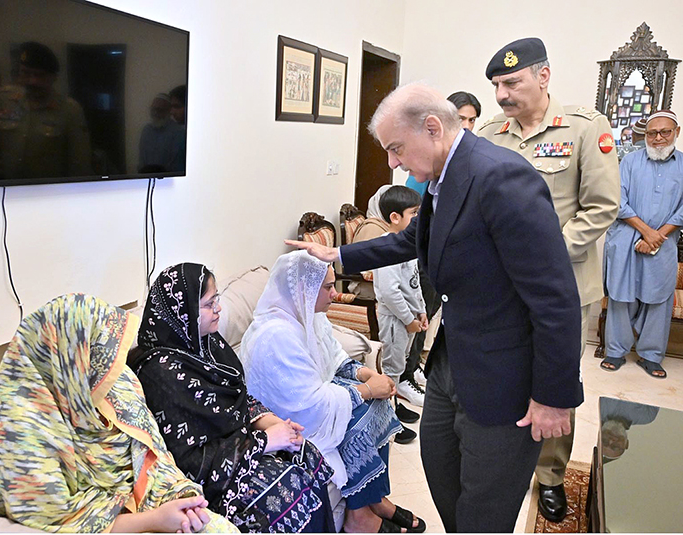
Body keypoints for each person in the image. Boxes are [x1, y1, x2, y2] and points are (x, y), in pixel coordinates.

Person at [286, 82, 583, 532]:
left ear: (431, 128)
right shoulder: (443, 177)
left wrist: (554, 397)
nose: (392, 162)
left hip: (504, 379)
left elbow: (556, 299)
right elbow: (413, 239)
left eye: (395, 148)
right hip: (452, 362)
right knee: (443, 473)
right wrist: (341, 256)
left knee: (484, 509)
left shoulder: (501, 177)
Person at [477, 37, 620, 523]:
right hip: (501, 290)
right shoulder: (490, 131)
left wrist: (540, 257)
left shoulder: (585, 128)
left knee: (556, 380)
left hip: (565, 289)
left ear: (543, 76)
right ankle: (508, 461)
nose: (501, 94)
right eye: (496, 84)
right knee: (509, 375)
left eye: (511, 82)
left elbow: (601, 207)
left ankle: (552, 476)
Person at [0, 293, 237, 533]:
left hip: (161, 503)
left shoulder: (114, 384)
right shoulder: (19, 431)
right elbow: (58, 519)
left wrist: (182, 500)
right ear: (67, 360)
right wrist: (156, 519)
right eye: (96, 353)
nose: (109, 365)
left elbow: (154, 456)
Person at [128, 263, 335, 533]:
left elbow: (238, 397)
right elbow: (188, 462)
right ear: (183, 311)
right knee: (286, 491)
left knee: (305, 452)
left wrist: (271, 423)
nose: (219, 309)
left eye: (217, 299)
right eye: (208, 303)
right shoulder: (160, 373)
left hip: (241, 444)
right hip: (213, 481)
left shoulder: (206, 342)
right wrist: (263, 442)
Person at [240, 251, 426, 533]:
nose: (334, 293)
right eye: (327, 287)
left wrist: (368, 375)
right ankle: (362, 516)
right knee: (361, 415)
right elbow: (309, 406)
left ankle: (375, 501)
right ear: (305, 289)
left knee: (379, 403)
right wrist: (364, 391)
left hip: (314, 402)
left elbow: (335, 357)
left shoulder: (308, 316)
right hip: (291, 420)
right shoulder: (275, 335)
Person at [600, 110, 683, 379]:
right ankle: (615, 350)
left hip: (664, 242)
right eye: (651, 133)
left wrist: (658, 236)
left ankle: (650, 355)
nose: (658, 138)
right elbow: (617, 201)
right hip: (626, 238)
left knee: (658, 298)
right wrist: (646, 232)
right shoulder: (629, 162)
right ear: (644, 135)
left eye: (664, 132)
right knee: (620, 296)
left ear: (676, 132)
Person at [0, 42, 92, 181]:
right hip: (5, 191)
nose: (32, 81)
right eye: (25, 73)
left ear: (54, 77)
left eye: (39, 75)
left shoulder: (70, 110)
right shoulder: (2, 99)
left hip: (49, 195)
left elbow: (79, 163)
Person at [372, 186, 428, 417]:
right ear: (395, 218)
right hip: (395, 320)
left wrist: (421, 311)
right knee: (392, 368)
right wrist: (407, 320)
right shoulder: (388, 248)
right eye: (414, 213)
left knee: (401, 362)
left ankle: (393, 407)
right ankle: (386, 414)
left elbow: (413, 285)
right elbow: (389, 292)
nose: (418, 218)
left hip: (408, 318)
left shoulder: (406, 244)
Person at [138, 93, 186, 174]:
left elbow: (176, 164)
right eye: (153, 109)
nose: (156, 113)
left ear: (168, 111)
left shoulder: (178, 132)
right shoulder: (146, 130)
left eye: (160, 110)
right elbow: (142, 160)